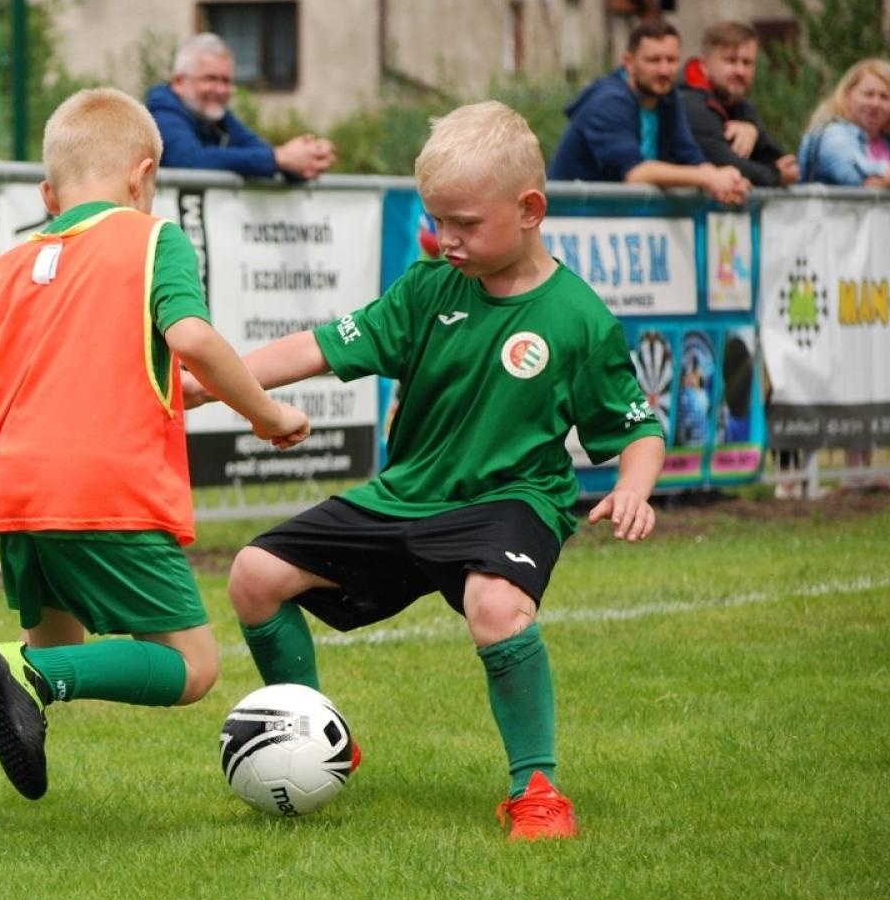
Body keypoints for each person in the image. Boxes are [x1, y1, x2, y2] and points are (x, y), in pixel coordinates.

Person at [199, 101, 666, 841]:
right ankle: (321, 737)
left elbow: (638, 426)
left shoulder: (578, 317)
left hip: (510, 500)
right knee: (253, 575)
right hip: (409, 492)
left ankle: (536, 789)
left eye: (465, 224)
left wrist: (634, 485)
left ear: (530, 209)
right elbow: (316, 347)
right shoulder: (427, 289)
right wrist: (209, 381)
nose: (446, 239)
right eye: (436, 221)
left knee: (496, 605)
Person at [0, 87, 310, 831]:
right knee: (192, 665)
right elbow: (193, 340)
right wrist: (268, 414)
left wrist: (185, 398)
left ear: (49, 193)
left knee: (52, 640)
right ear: (144, 176)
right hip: (105, 486)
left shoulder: (8, 268)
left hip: (20, 488)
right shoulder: (153, 240)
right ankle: (33, 679)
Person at [549, 19, 750, 205]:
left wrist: (727, 182)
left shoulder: (668, 98)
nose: (664, 70)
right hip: (573, 220)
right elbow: (636, 174)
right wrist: (709, 178)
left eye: (671, 60)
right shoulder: (608, 101)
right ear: (628, 62)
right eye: (653, 60)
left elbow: (690, 157)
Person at [145, 32, 336, 181]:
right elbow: (190, 160)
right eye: (210, 79)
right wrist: (280, 158)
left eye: (227, 81)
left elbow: (261, 152)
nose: (220, 89)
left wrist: (306, 159)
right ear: (179, 81)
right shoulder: (160, 117)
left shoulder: (218, 118)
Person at [676, 20, 799, 188]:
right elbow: (722, 162)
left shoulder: (740, 103)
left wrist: (754, 131)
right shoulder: (688, 101)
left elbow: (776, 158)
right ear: (704, 65)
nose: (740, 71)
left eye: (747, 63)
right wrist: (777, 176)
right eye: (730, 61)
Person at [797, 58, 890, 188]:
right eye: (868, 94)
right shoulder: (832, 134)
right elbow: (855, 177)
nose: (875, 104)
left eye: (884, 97)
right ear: (847, 95)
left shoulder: (885, 141)